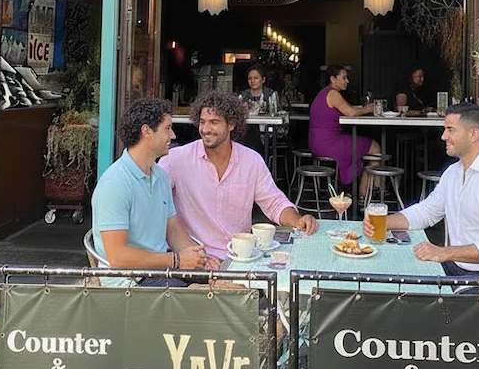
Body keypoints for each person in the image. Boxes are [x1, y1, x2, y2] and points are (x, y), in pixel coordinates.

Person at [363, 102, 479, 295]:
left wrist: (443, 252)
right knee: (393, 280)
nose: (443, 136)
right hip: (459, 270)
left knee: (418, 303)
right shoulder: (453, 173)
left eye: (450, 130)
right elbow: (427, 212)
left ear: (474, 134)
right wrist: (384, 222)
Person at [160, 91, 318, 259]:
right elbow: (154, 209)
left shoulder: (251, 161)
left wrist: (298, 220)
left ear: (231, 124)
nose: (206, 129)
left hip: (239, 257)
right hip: (194, 259)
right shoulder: (174, 160)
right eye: (202, 122)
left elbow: (274, 202)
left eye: (214, 122)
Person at [91, 97, 218, 287]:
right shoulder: (114, 183)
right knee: (212, 299)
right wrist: (176, 260)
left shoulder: (160, 175)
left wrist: (200, 257)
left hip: (160, 271)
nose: (173, 135)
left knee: (226, 281)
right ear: (147, 131)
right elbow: (118, 257)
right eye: (167, 128)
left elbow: (173, 229)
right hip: (129, 281)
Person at [308, 64, 382, 194]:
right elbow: (351, 112)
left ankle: (366, 193)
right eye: (344, 77)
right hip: (329, 144)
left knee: (364, 146)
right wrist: (368, 108)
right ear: (333, 79)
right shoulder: (332, 94)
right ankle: (372, 193)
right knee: (374, 147)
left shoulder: (323, 93)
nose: (347, 81)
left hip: (317, 144)